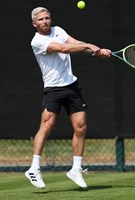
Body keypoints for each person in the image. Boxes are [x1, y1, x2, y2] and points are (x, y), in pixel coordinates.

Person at [25, 7, 111, 189]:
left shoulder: (58, 30)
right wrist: (89, 47)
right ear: (34, 24)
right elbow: (64, 48)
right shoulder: (37, 41)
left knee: (80, 127)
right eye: (41, 19)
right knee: (46, 127)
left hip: (71, 86)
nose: (45, 21)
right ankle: (34, 168)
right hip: (53, 89)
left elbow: (75, 43)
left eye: (47, 18)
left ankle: (76, 170)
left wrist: (96, 51)